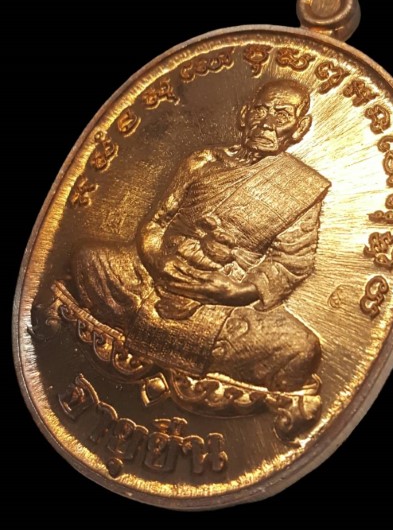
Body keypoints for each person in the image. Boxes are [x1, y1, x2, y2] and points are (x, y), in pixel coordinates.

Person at [72, 79, 330, 392]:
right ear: (244, 115)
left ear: (300, 128)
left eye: (282, 115)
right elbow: (157, 222)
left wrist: (237, 293)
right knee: (88, 260)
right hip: (156, 275)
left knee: (301, 348)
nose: (267, 123)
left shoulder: (302, 188)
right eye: (260, 110)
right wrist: (157, 261)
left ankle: (144, 327)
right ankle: (173, 340)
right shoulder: (201, 161)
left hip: (223, 300)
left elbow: (290, 263)